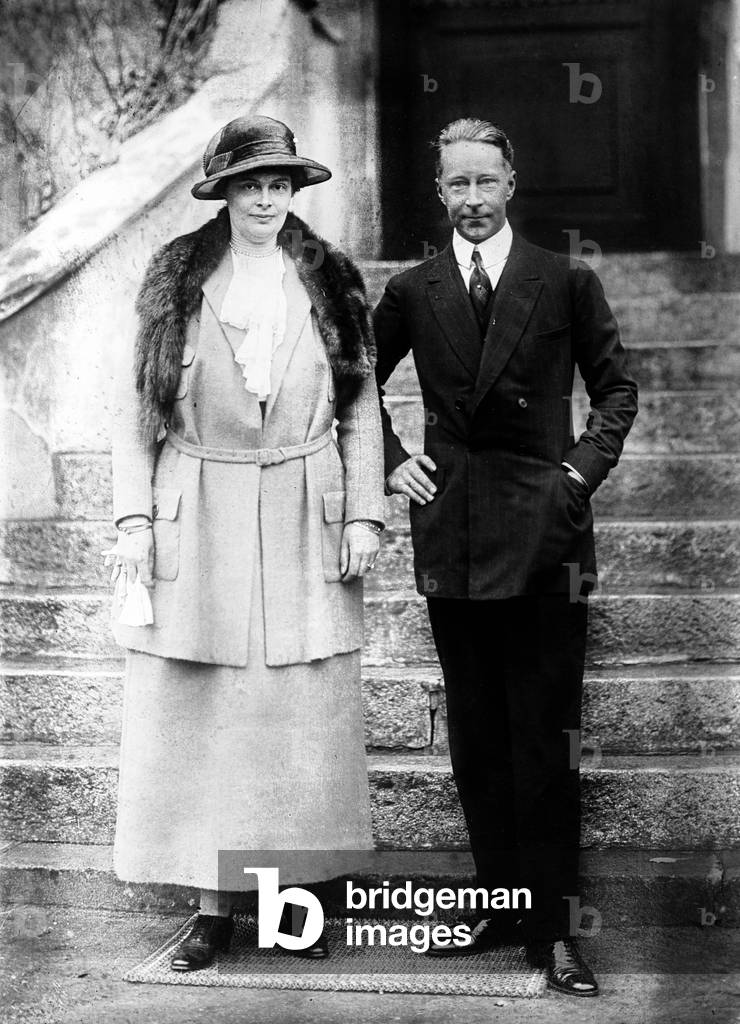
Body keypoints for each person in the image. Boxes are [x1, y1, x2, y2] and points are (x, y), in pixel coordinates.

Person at [108, 115, 385, 970]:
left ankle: (289, 908)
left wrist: (365, 513)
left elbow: (360, 406)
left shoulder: (331, 280)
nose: (265, 198)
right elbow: (135, 410)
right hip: (199, 500)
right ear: (223, 191)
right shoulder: (178, 278)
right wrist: (134, 519)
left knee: (297, 716)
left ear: (294, 191)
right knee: (205, 716)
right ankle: (210, 908)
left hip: (306, 508)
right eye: (249, 184)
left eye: (279, 184)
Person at [373, 118, 638, 997]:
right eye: (457, 185)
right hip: (455, 532)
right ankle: (497, 899)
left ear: (512, 184)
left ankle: (557, 929)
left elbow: (617, 389)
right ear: (439, 192)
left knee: (544, 738)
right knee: (479, 739)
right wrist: (388, 458)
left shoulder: (564, 280)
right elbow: (346, 381)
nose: (473, 199)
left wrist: (575, 475)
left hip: (546, 536)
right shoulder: (414, 290)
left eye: (486, 182)